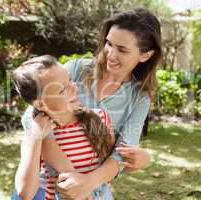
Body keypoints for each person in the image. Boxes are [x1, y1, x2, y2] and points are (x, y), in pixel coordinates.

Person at [20, 7, 163, 199]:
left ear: (145, 55)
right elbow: (33, 116)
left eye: (122, 49)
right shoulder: (76, 69)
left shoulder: (139, 98)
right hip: (42, 187)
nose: (110, 54)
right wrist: (66, 169)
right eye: (109, 43)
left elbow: (122, 154)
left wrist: (88, 183)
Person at [12, 55, 117, 200]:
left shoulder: (100, 118)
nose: (74, 87)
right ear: (41, 104)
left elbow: (114, 163)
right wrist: (35, 137)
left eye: (70, 80)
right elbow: (25, 192)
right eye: (62, 90)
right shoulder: (39, 137)